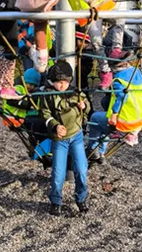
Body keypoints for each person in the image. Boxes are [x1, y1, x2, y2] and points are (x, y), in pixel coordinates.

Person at [39, 61, 90, 216]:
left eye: (64, 82)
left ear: (69, 81)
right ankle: (56, 201)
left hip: (76, 136)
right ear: (52, 82)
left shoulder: (77, 93)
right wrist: (54, 125)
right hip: (59, 139)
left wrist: (84, 106)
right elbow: (44, 113)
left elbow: (87, 107)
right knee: (58, 173)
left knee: (81, 169)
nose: (61, 86)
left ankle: (81, 198)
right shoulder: (47, 95)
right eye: (58, 83)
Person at [87, 50, 142, 162]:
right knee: (105, 104)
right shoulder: (136, 72)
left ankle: (93, 150)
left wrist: (114, 114)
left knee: (95, 118)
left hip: (126, 122)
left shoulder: (118, 79)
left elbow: (122, 97)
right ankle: (129, 135)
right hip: (141, 118)